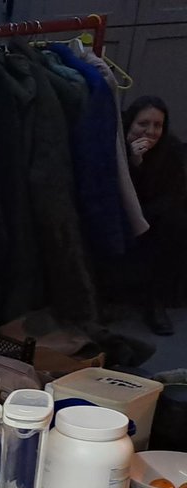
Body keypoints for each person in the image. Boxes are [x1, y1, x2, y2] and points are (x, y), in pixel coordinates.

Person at [122, 95, 187, 335]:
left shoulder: (171, 148)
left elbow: (174, 192)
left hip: (157, 216)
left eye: (157, 125)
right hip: (121, 210)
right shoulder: (116, 144)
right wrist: (133, 162)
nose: (150, 131)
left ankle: (155, 301)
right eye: (143, 124)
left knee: (173, 221)